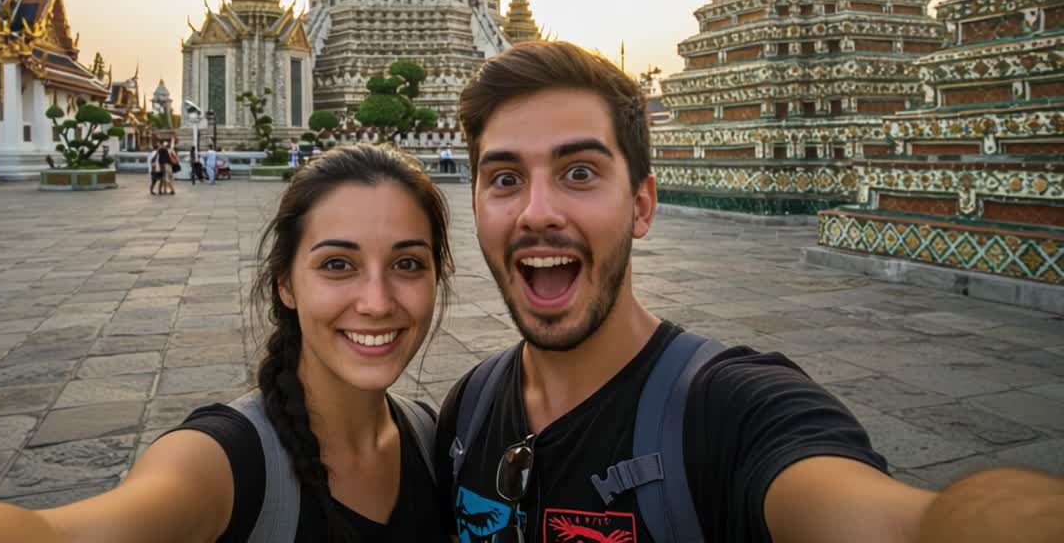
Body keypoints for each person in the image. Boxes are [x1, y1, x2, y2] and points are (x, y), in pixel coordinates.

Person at [434, 40, 1063, 543]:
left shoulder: (730, 413)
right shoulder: (469, 409)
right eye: (507, 177)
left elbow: (891, 518)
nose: (536, 212)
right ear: (477, 204)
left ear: (642, 206)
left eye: (579, 172)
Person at [0, 144, 455, 543]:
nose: (376, 301)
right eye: (337, 265)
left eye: (407, 264)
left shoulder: (435, 440)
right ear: (285, 285)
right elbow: (52, 532)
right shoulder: (226, 462)